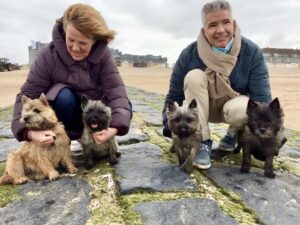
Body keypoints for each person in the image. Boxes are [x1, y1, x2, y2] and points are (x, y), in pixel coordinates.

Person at [162, 0, 285, 169]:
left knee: (246, 110)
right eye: (212, 25)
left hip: (232, 106)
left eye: (225, 22)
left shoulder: (251, 52)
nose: (220, 30)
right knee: (193, 76)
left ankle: (233, 134)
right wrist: (170, 127)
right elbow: (174, 96)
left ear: (233, 24)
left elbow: (263, 101)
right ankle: (203, 143)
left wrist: (269, 139)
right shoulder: (188, 54)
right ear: (203, 30)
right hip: (200, 105)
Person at [11, 3, 132, 147]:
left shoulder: (104, 56)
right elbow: (28, 94)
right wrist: (29, 133)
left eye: (82, 43)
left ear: (94, 40)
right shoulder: (48, 55)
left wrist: (114, 127)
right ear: (64, 32)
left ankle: (94, 135)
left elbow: (116, 92)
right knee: (62, 97)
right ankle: (62, 140)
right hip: (64, 118)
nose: (75, 48)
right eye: (71, 40)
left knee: (126, 105)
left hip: (94, 117)